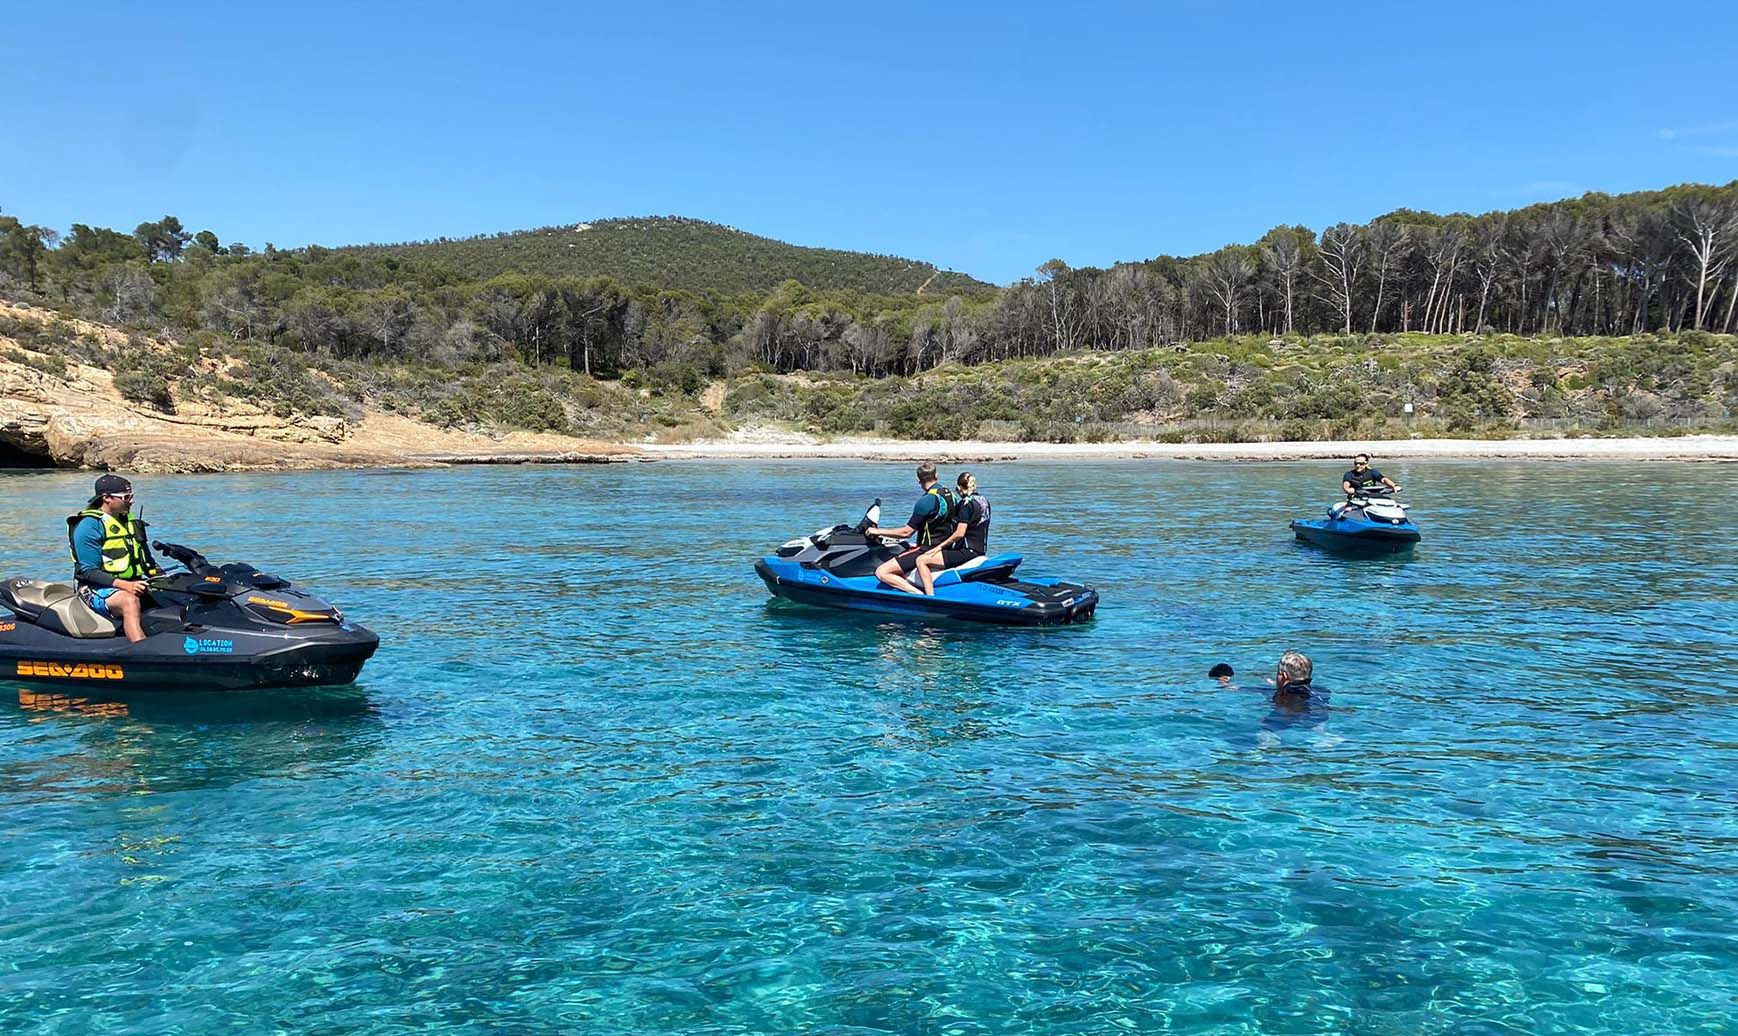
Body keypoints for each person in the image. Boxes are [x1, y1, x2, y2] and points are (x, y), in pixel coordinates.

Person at [67, 474, 161, 643]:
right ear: (107, 498)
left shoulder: (131, 522)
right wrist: (126, 585)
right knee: (129, 601)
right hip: (94, 588)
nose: (131, 501)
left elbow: (148, 562)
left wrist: (161, 578)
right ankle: (141, 651)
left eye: (131, 496)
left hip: (133, 582)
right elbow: (87, 571)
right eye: (126, 497)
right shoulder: (89, 526)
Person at [866, 461, 956, 595]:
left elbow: (906, 532)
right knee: (907, 547)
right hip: (947, 547)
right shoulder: (951, 495)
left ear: (918, 480)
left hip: (928, 550)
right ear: (936, 475)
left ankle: (918, 594)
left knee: (882, 571)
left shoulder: (926, 501)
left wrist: (877, 531)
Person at [913, 471, 992, 596]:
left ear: (958, 488)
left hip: (966, 552)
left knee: (922, 560)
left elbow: (959, 534)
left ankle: (930, 597)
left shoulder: (966, 504)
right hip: (980, 550)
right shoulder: (983, 501)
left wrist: (937, 548)